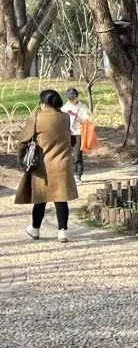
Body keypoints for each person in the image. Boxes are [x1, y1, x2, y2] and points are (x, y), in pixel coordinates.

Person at [16, 90, 78, 243]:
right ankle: (62, 232)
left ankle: (35, 229)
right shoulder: (65, 117)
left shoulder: (37, 117)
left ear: (43, 103)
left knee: (40, 198)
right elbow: (71, 139)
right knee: (61, 198)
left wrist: (21, 159)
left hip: (42, 164)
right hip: (62, 163)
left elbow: (23, 141)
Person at [60, 88, 91, 184]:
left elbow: (87, 121)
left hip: (78, 133)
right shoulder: (64, 108)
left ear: (77, 97)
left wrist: (76, 116)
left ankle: (78, 176)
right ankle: (66, 176)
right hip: (67, 133)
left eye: (72, 98)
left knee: (77, 156)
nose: (71, 100)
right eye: (69, 98)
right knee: (65, 156)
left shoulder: (83, 107)